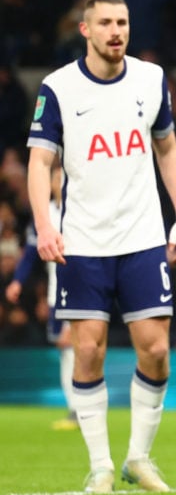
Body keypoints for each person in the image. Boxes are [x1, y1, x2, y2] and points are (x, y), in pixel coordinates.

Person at [25, 0, 176, 494]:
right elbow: (40, 162)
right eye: (105, 23)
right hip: (84, 240)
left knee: (157, 349)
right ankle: (100, 465)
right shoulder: (57, 88)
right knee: (89, 350)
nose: (115, 31)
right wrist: (43, 224)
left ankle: (138, 458)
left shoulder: (151, 79)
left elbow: (167, 149)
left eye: (121, 23)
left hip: (142, 235)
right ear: (85, 30)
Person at [5, 164, 77, 430]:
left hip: (82, 290)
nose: (58, 181)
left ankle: (85, 408)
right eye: (55, 176)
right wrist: (17, 282)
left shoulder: (82, 209)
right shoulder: (45, 213)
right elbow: (31, 253)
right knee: (65, 349)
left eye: (62, 176)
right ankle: (76, 410)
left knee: (81, 347)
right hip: (55, 294)